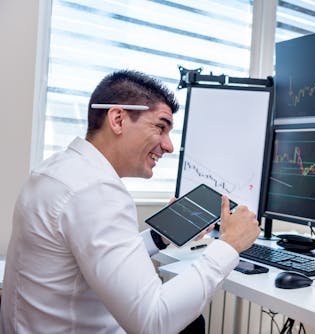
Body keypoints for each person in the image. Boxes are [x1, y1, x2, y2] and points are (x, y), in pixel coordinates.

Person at [0, 70, 261, 333]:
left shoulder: (56, 170)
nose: (169, 146)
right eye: (160, 127)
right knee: (191, 325)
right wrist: (229, 245)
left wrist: (159, 237)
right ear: (117, 119)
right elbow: (154, 322)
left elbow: (92, 254)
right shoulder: (96, 190)